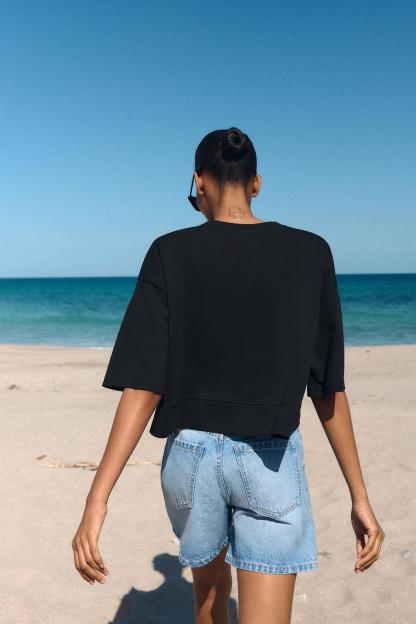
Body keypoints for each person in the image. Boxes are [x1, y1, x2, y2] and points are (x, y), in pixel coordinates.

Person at [71, 127, 385, 624]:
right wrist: (359, 496)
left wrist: (98, 498)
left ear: (199, 182)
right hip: (270, 460)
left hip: (191, 460)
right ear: (256, 183)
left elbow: (144, 385)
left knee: (210, 598)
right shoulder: (311, 252)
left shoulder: (169, 252)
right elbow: (327, 388)